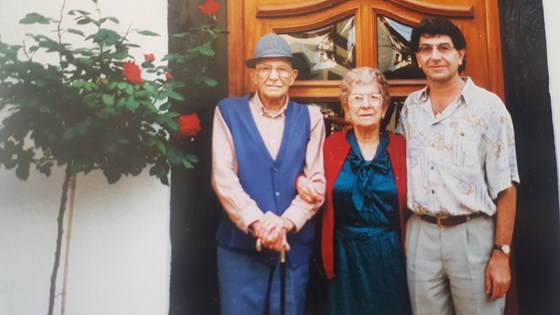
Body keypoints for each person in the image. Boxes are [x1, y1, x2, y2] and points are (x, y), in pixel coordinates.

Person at [396, 17, 520, 314]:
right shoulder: (411, 108)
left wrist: (502, 253)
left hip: (472, 235)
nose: (435, 56)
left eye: (444, 47)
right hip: (420, 235)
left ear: (460, 55)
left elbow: (506, 186)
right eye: (426, 49)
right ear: (417, 57)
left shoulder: (488, 107)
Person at [211, 33, 326, 315]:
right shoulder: (228, 112)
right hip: (240, 249)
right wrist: (258, 222)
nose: (274, 76)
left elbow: (317, 183)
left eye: (282, 69)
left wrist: (285, 223)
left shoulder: (312, 118)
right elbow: (223, 177)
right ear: (253, 74)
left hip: (292, 246)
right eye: (265, 68)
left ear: (293, 76)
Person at [299, 67, 411, 314]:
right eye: (357, 98)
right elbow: (308, 175)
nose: (366, 105)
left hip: (390, 254)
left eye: (373, 97)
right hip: (344, 256)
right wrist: (301, 181)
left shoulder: (400, 147)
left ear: (384, 108)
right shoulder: (332, 146)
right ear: (347, 109)